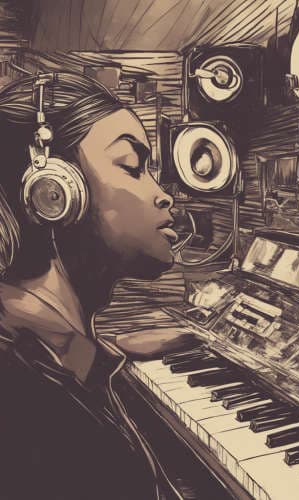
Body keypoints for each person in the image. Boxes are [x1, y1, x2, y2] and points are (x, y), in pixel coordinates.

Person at [0, 72, 194, 499]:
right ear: (53, 194)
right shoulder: (33, 403)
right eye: (133, 166)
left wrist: (112, 347)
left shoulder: (27, 335)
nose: (164, 195)